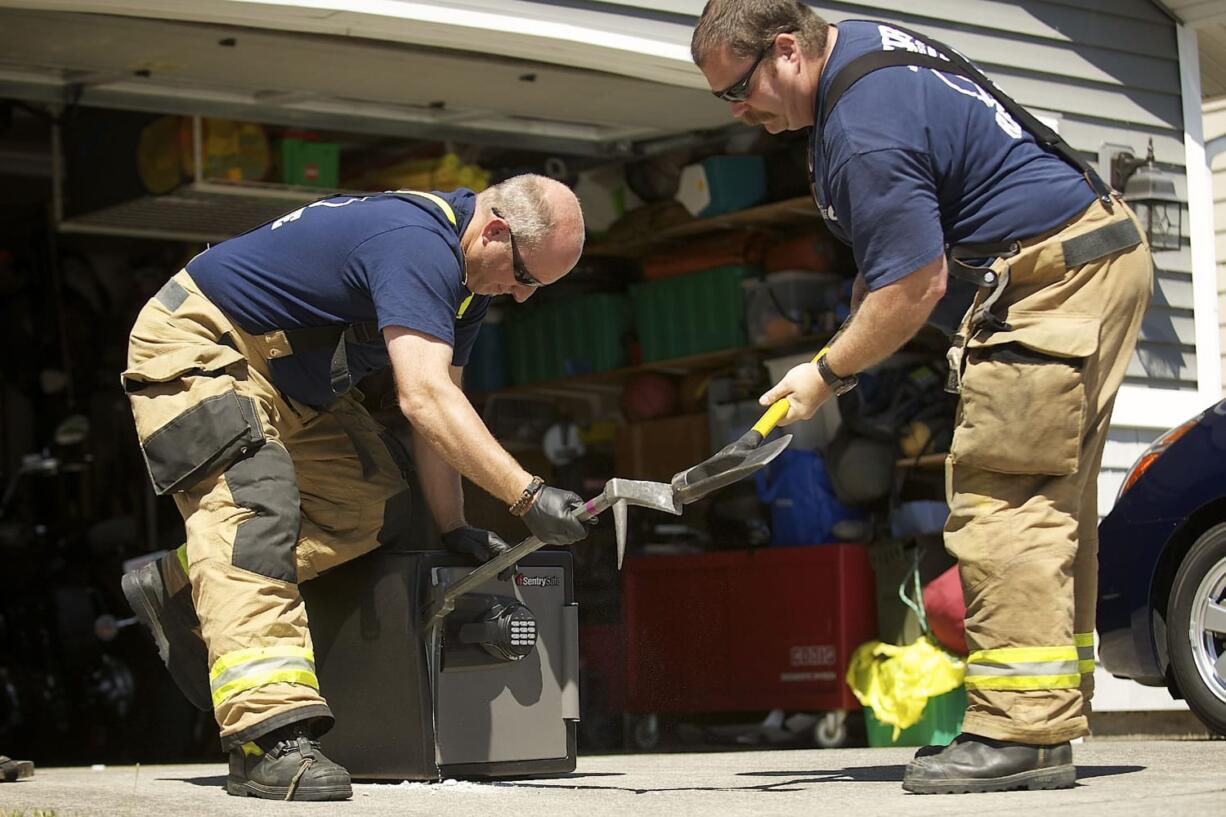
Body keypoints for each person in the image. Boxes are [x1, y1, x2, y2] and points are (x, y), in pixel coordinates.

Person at [692, 0, 1152, 794]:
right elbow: (892, 251)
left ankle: (1020, 731)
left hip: (1051, 282)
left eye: (737, 90)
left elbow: (915, 282)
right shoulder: (863, 56)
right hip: (1089, 260)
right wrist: (846, 344)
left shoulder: (863, 126)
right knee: (1047, 497)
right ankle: (1045, 714)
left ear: (788, 49)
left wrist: (825, 372)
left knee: (1001, 498)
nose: (737, 112)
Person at [119, 174, 591, 801]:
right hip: (199, 345)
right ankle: (268, 740)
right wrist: (528, 496)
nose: (523, 297)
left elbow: (441, 406)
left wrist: (453, 526)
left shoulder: (465, 285)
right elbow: (421, 397)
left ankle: (181, 586)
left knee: (376, 504)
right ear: (497, 230)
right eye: (527, 277)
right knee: (253, 511)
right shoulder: (417, 244)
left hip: (286, 382)